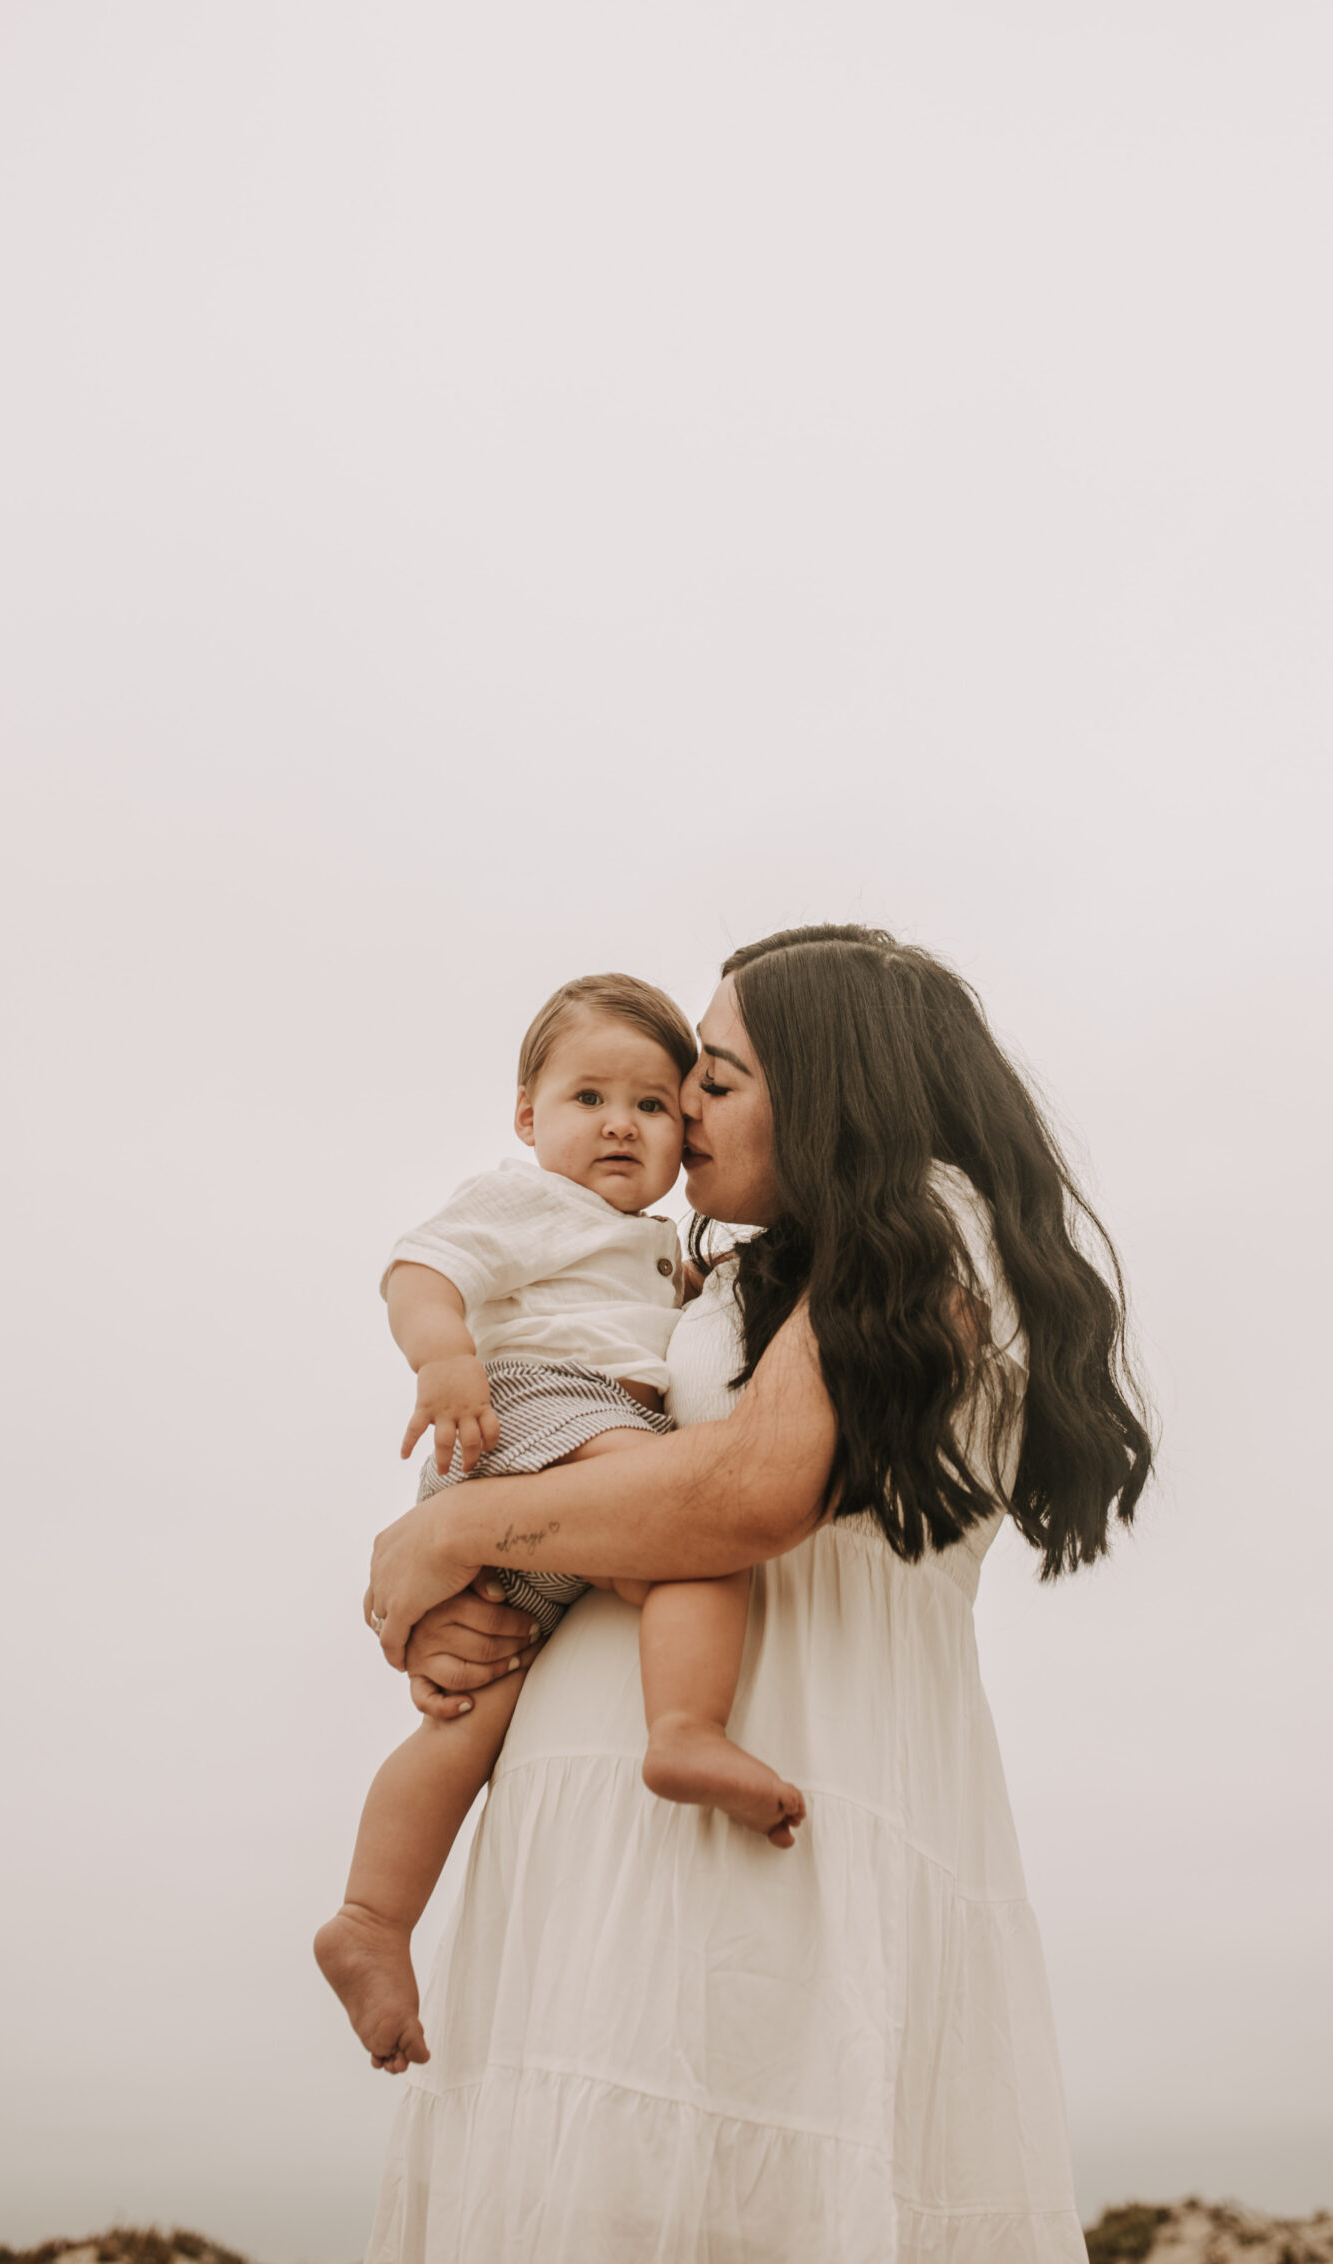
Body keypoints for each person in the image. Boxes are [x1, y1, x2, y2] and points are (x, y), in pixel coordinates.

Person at [360, 925, 1153, 2264]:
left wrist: (457, 1534)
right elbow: (621, 1474)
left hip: (790, 1804)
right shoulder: (726, 1275)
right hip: (610, 1839)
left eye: (711, 1081)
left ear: (832, 1088)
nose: (678, 1115)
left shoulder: (934, 1228)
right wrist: (476, 1580)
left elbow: (748, 1493)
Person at [316, 973, 805, 2076]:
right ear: (528, 1116)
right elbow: (419, 1269)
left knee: (467, 1723)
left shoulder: (667, 1249)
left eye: (653, 1105)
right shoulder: (526, 1201)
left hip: (572, 1447)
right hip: (539, 1401)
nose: (622, 1123)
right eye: (589, 1097)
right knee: (692, 1534)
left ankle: (372, 1919)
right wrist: (444, 1358)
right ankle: (682, 1728)